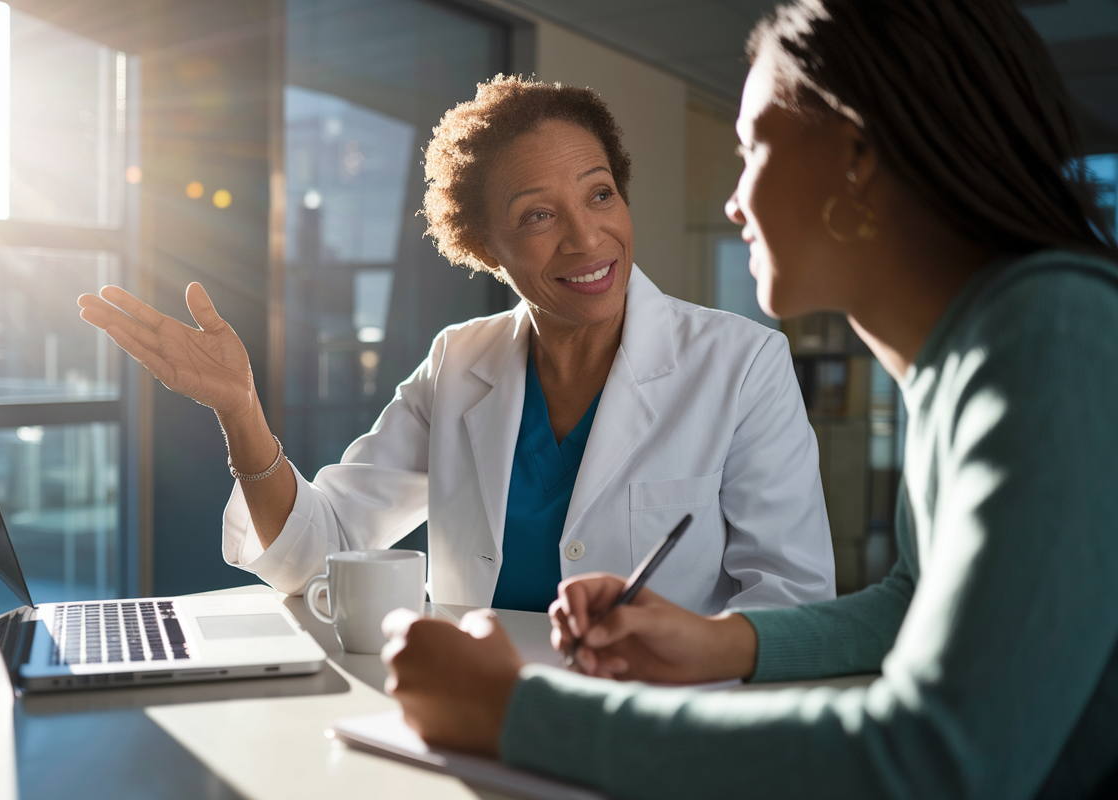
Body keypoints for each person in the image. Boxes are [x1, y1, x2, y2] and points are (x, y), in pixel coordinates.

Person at [380, 0, 1118, 796]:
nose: (734, 203)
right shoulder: (963, 358)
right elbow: (914, 606)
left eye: (750, 150)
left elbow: (936, 757)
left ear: (855, 160)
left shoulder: (1052, 333)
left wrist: (517, 714)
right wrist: (713, 642)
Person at [79, 77, 835, 614]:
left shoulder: (743, 365)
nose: (587, 237)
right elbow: (322, 550)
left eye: (600, 194)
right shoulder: (459, 362)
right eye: (539, 217)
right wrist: (241, 411)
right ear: (485, 248)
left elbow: (795, 604)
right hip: (476, 722)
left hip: (658, 733)